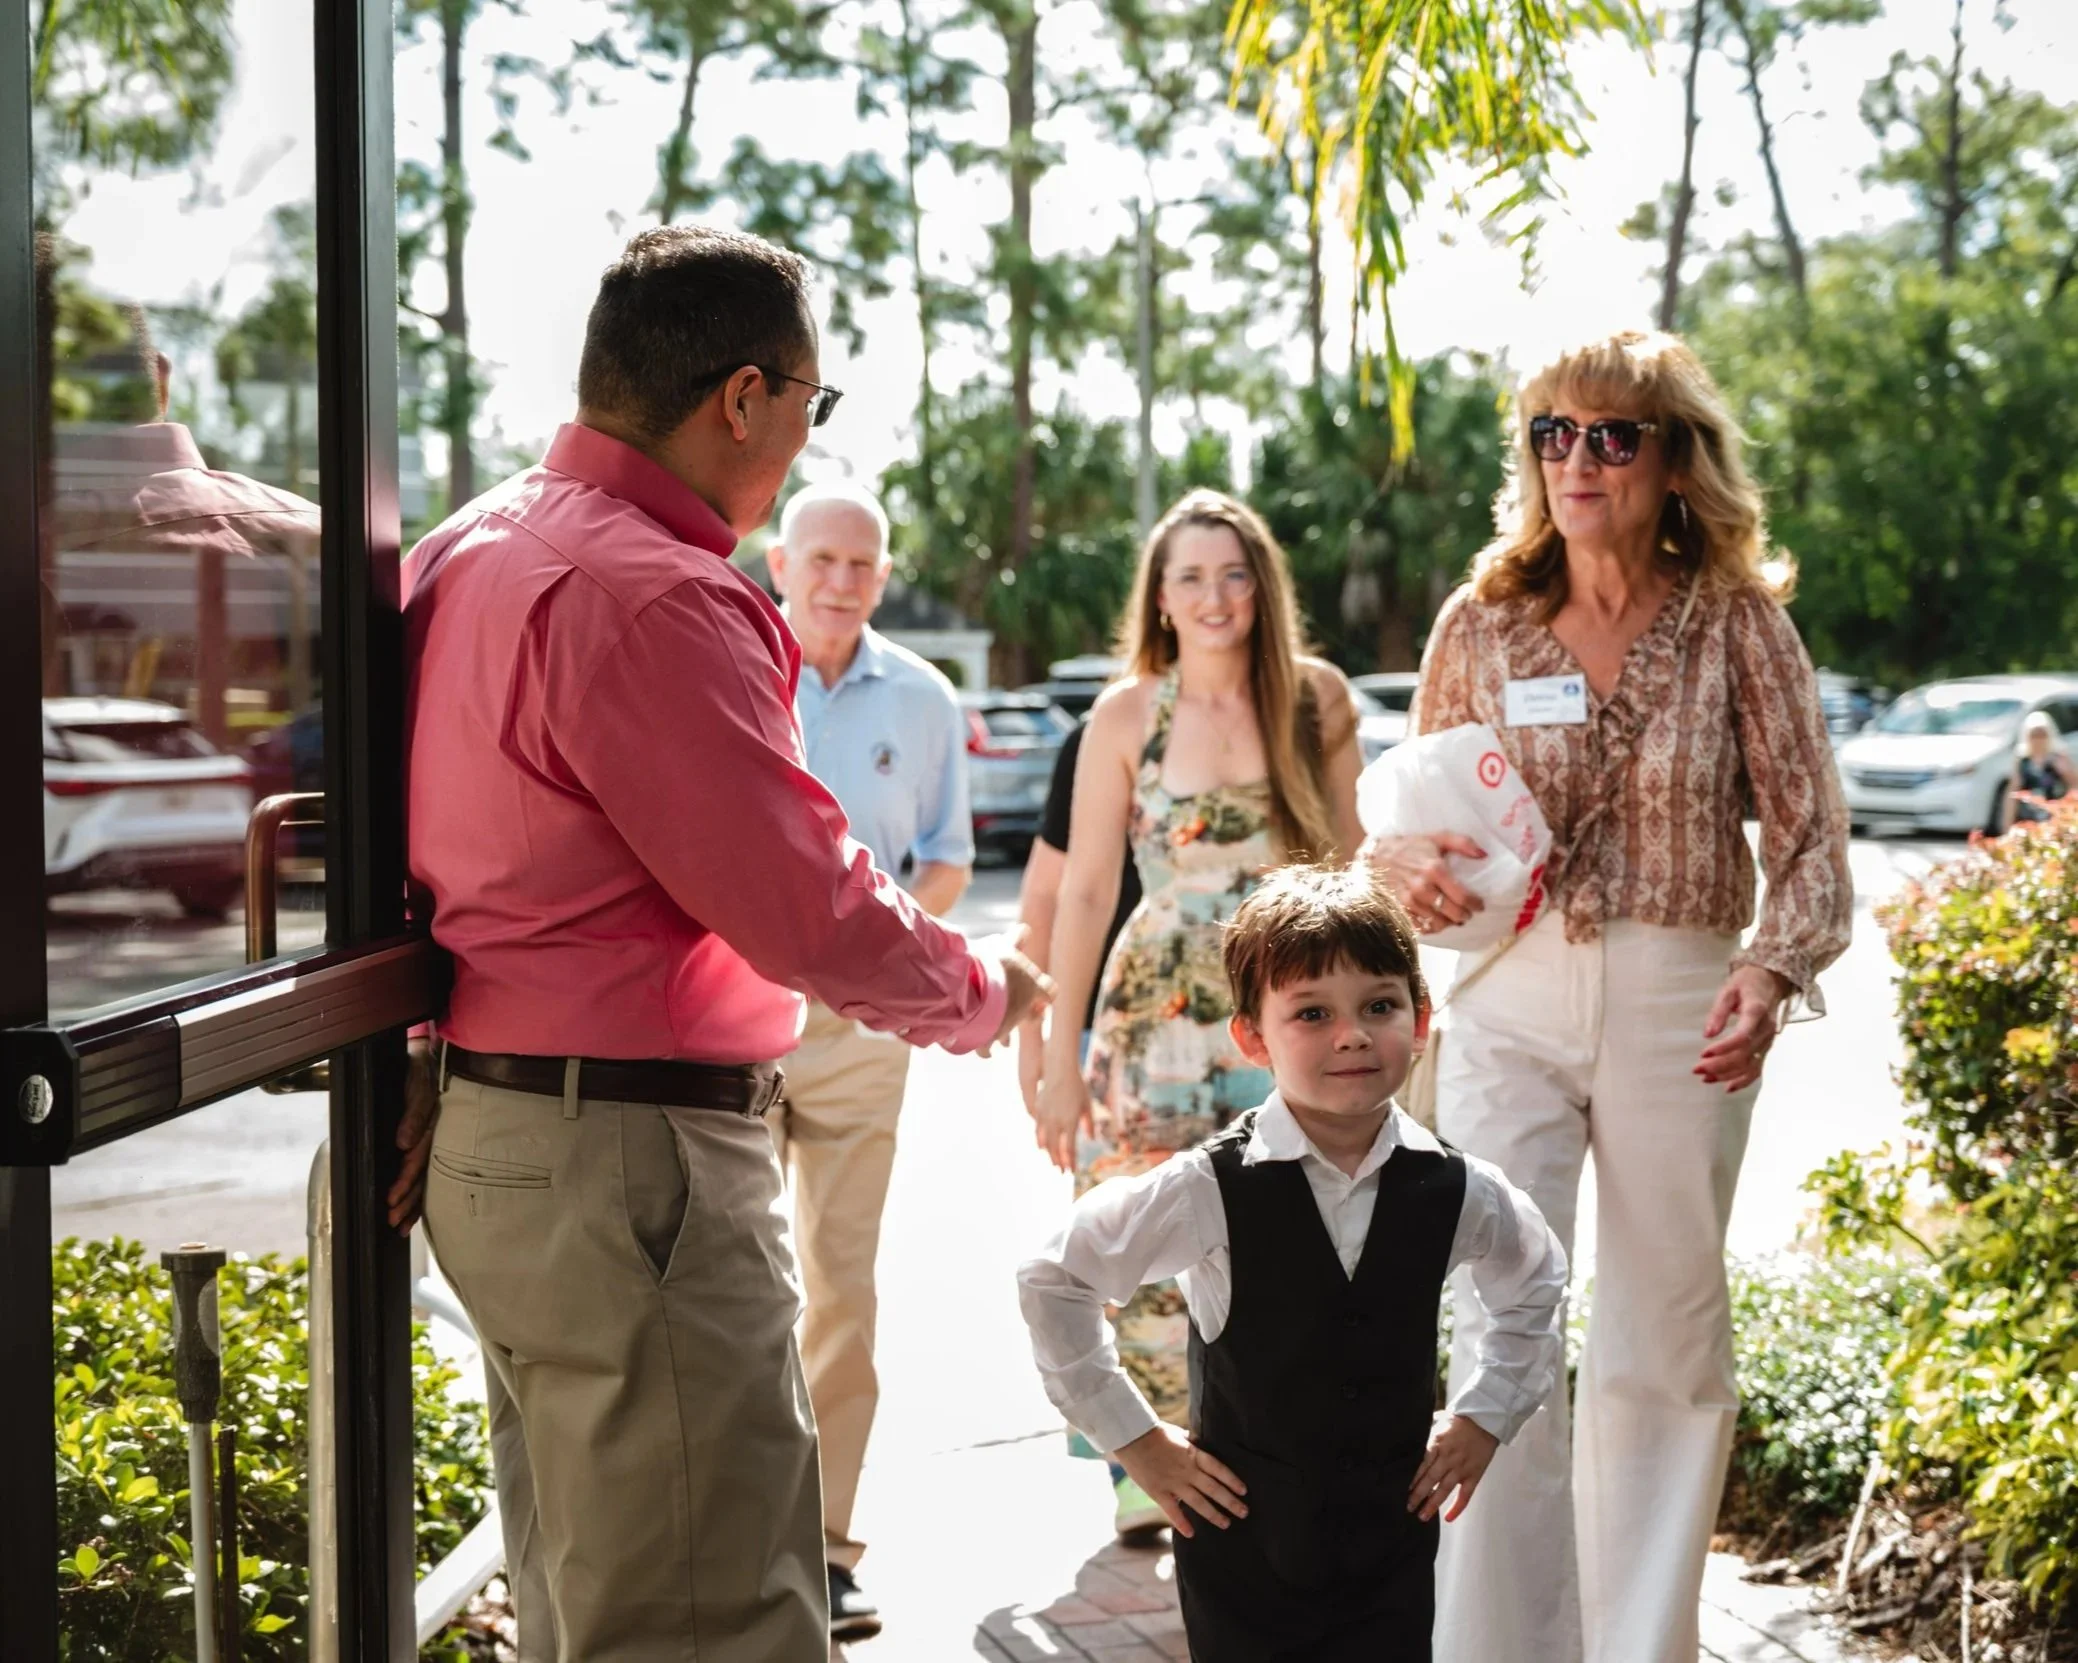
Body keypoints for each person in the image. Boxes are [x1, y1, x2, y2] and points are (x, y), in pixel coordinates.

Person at [391, 226, 1049, 1663]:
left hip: (503, 1136)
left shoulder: (467, 545)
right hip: (631, 1172)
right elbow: (802, 900)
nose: (811, 433)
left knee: (586, 1603)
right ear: (743, 395)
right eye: (816, 401)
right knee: (717, 1616)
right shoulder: (656, 591)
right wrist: (981, 990)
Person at [1364, 329, 1852, 1663]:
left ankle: (1642, 1643)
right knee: (1496, 1309)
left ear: (1673, 457)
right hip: (1508, 989)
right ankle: (1494, 1644)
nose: (1576, 458)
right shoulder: (1483, 618)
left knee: (1664, 1329)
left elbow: (1809, 836)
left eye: (1611, 433)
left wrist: (1770, 967)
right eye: (1551, 432)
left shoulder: (1738, 618)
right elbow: (1408, 816)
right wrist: (1396, 863)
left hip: (1677, 991)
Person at [1017, 864, 1567, 1663]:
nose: (1351, 1034)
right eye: (1312, 1012)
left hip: (1390, 1560)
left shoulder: (1458, 1188)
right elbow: (1054, 1275)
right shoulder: (1207, 1188)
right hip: (1248, 1565)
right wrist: (1134, 1437)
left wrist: (1487, 1414)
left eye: (1379, 1006)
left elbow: (1535, 1281)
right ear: (1252, 1035)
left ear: (1420, 1016)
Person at [1029, 488, 1365, 1522]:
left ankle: (1267, 1456)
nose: (1214, 595)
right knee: (1136, 1220)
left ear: (1261, 588)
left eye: (1233, 573)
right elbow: (1085, 889)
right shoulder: (1126, 714)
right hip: (1152, 1011)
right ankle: (1145, 1467)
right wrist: (1054, 1052)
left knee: (1288, 1234)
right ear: (1160, 599)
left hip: (1285, 1001)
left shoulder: (1315, 699)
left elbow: (1356, 868)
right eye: (1190, 577)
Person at [763, 478, 973, 1642]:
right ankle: (748, 1535)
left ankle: (829, 1544)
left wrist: (868, 936)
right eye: (823, 558)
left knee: (840, 1284)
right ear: (778, 562)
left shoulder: (925, 698)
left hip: (859, 1031)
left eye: (864, 563)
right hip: (729, 1012)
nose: (843, 580)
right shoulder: (732, 668)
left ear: (882, 576)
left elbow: (944, 859)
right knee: (741, 1290)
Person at [1013, 715, 1157, 1534]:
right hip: (1110, 1028)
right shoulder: (1104, 729)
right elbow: (1046, 892)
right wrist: (1039, 1039)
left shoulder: (1285, 707)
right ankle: (1132, 1469)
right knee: (1121, 1247)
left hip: (1262, 1020)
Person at [2005, 711, 2074, 826]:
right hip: (2028, 819)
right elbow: (2012, 793)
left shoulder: (2058, 757)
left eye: (2042, 735)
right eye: (2034, 735)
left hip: (2055, 818)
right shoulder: (2023, 761)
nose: (2038, 740)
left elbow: (2074, 785)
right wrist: (2007, 824)